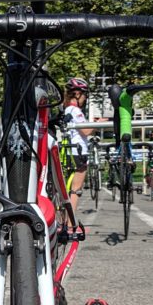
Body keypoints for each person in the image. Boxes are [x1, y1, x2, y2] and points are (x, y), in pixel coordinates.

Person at [63, 77, 92, 214]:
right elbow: (86, 131)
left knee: (67, 188)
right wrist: (97, 125)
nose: (85, 98)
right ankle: (70, 223)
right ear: (77, 94)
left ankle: (65, 220)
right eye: (85, 94)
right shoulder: (75, 111)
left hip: (70, 151)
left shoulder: (67, 109)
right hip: (79, 151)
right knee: (76, 189)